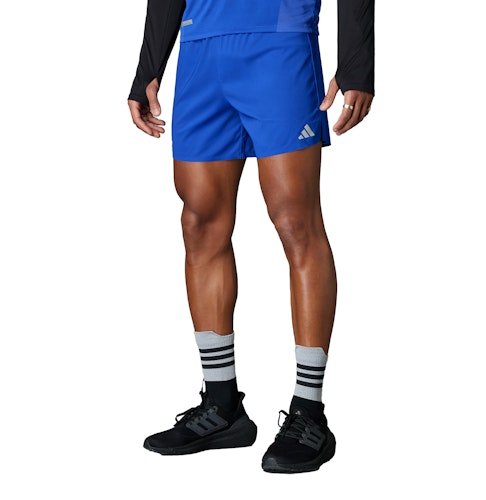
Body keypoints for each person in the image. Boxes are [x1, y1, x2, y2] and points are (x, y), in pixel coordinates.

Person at [127, 0, 374, 474]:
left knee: (295, 221)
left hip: (278, 42)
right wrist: (149, 66)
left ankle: (309, 412)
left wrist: (357, 61)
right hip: (200, 46)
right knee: (200, 223)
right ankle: (222, 406)